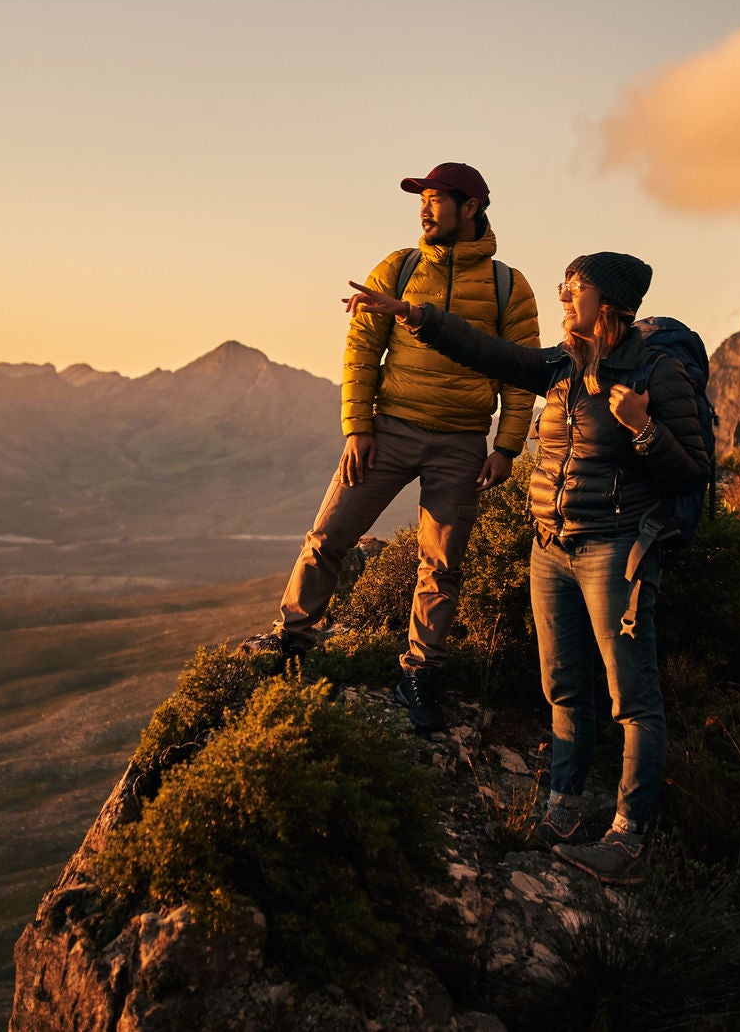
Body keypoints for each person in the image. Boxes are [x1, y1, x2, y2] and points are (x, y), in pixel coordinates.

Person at [343, 252, 707, 886]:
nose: (565, 298)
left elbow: (693, 471)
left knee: (633, 699)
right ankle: (564, 809)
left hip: (614, 549)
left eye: (576, 290)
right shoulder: (561, 365)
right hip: (551, 549)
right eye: (564, 288)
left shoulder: (656, 372)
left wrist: (642, 428)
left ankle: (628, 837)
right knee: (563, 685)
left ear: (611, 305)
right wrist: (414, 316)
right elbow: (489, 353)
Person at [240, 163, 540, 734]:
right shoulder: (399, 269)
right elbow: (361, 349)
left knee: (442, 565)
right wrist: (358, 427)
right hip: (389, 431)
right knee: (329, 536)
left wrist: (506, 446)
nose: (424, 209)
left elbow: (521, 372)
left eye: (434, 199)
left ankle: (421, 672)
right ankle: (293, 639)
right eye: (420, 200)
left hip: (462, 444)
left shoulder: (509, 286)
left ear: (471, 207)